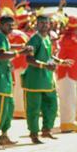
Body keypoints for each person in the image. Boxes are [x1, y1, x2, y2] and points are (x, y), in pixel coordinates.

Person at [0, 13, 30, 149]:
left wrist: (21, 47)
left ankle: (4, 136)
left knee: (8, 107)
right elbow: (1, 54)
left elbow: (8, 48)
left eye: (12, 25)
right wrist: (20, 53)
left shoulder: (3, 37)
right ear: (1, 25)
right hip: (0, 78)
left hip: (6, 78)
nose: (11, 27)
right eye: (8, 25)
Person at [22, 14, 63, 144]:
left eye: (46, 23)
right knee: (34, 108)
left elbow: (49, 56)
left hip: (47, 79)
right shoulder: (34, 39)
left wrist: (61, 61)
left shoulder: (47, 38)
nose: (44, 25)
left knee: (52, 105)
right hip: (34, 80)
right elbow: (29, 59)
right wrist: (45, 65)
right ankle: (34, 134)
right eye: (41, 23)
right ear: (36, 25)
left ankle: (47, 129)